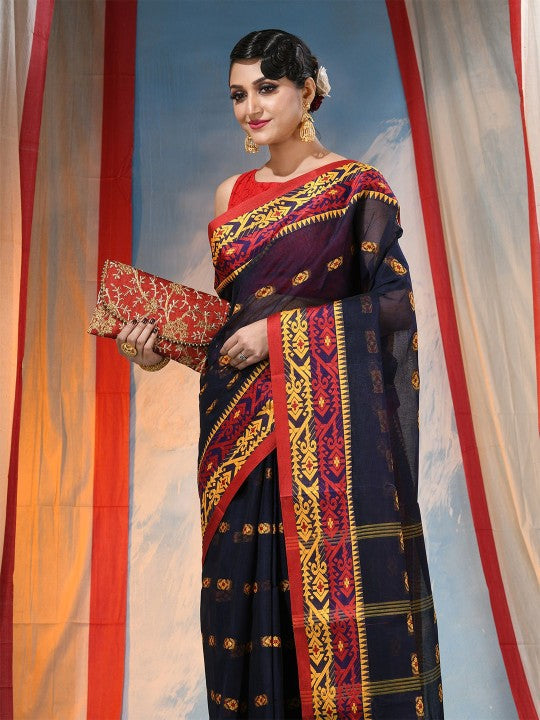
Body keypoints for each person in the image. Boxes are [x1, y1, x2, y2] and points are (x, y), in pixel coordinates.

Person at [115, 28, 443, 720]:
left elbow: (392, 308)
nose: (251, 108)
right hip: (234, 435)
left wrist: (279, 335)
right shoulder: (230, 194)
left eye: (267, 88)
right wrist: (154, 349)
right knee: (242, 608)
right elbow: (227, 329)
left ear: (308, 90)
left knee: (330, 616)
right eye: (238, 94)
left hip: (326, 441)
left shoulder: (356, 188)